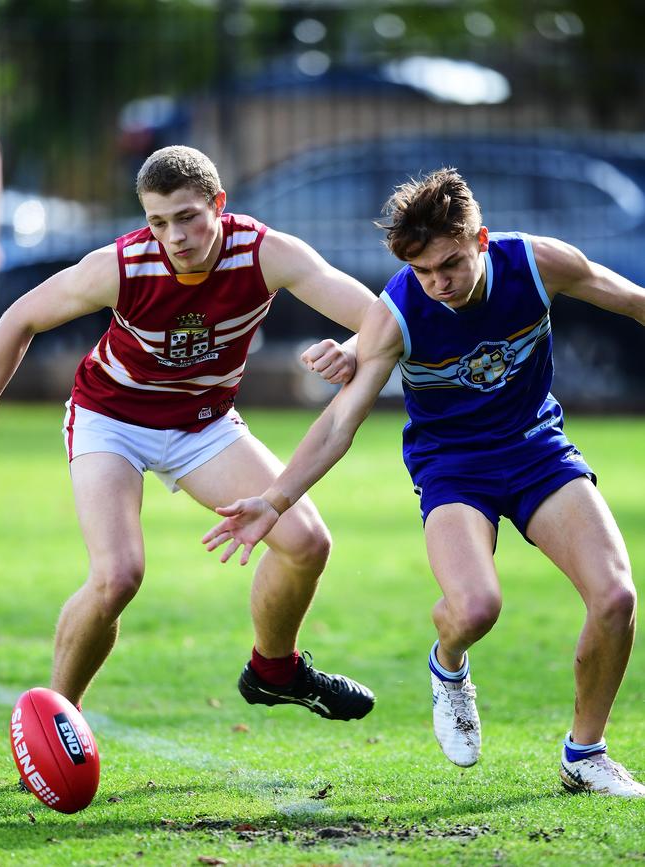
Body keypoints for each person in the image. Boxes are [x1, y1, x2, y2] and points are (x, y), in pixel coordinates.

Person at [203, 167, 645, 797]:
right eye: (422, 272)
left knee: (616, 599)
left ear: (481, 240)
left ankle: (586, 753)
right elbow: (338, 425)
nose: (437, 284)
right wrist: (274, 501)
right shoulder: (398, 314)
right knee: (474, 609)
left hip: (537, 451)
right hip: (453, 467)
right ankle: (449, 668)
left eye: (449, 266)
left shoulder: (539, 265)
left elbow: (631, 301)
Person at [0, 145, 378, 723]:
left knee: (307, 544)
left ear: (218, 205)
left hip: (202, 425)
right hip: (111, 420)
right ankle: (55, 725)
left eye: (187, 217)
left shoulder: (265, 253)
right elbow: (18, 318)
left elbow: (377, 319)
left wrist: (350, 349)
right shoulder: (120, 266)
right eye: (157, 221)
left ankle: (274, 671)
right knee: (118, 575)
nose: (173, 236)